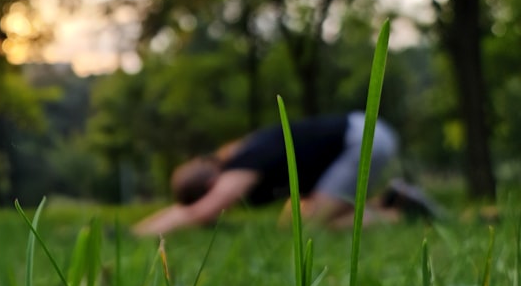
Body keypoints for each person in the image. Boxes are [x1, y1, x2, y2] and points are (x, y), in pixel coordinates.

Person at [133, 112, 439, 236]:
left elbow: (199, 213)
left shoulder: (236, 169)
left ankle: (404, 214)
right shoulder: (241, 155)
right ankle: (393, 200)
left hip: (362, 139)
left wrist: (136, 233)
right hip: (361, 132)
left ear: (210, 184)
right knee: (290, 224)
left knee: (308, 229)